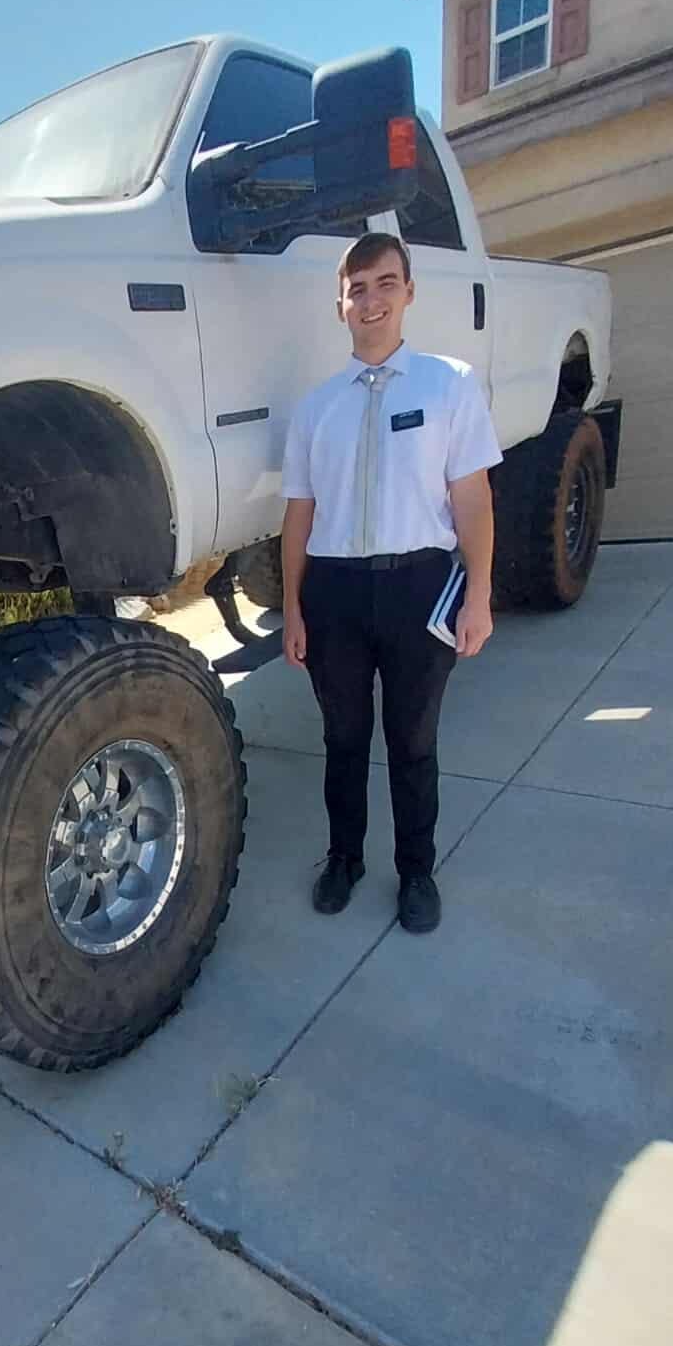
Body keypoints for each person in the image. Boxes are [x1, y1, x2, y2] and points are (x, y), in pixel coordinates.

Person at [280, 231, 502, 934]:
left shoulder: (450, 384)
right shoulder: (315, 408)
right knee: (343, 740)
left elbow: (472, 499)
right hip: (335, 595)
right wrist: (291, 606)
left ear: (408, 291)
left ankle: (416, 872)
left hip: (420, 588)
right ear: (339, 304)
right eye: (357, 288)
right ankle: (344, 859)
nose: (370, 300)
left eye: (385, 283)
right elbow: (299, 515)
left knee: (413, 742)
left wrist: (479, 594)